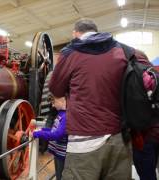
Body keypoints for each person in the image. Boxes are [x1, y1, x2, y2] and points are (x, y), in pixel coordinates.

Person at [49, 19, 149, 179]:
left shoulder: (71, 52)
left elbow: (55, 89)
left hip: (84, 143)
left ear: (75, 33)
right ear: (96, 31)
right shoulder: (123, 50)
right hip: (119, 140)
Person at [32, 96, 67, 180]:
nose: (52, 105)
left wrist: (38, 134)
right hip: (58, 151)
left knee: (60, 175)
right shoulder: (61, 114)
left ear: (62, 100)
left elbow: (56, 135)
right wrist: (43, 129)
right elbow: (54, 130)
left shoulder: (65, 116)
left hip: (61, 154)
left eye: (54, 102)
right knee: (58, 172)